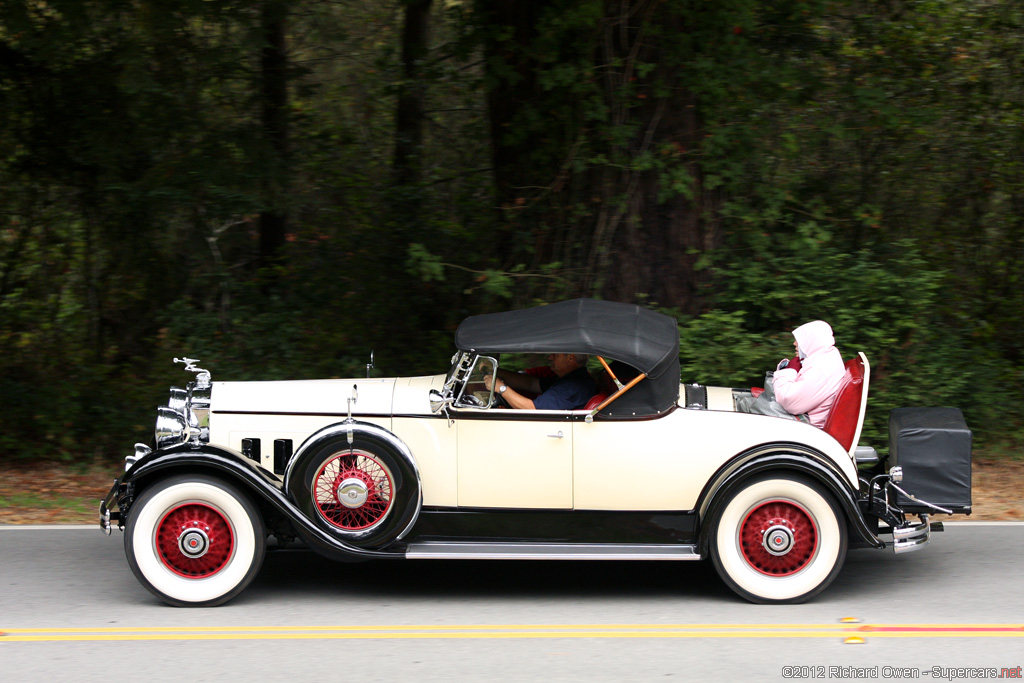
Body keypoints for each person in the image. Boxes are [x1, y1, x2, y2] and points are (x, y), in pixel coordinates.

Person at [771, 320, 846, 428]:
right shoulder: (825, 357)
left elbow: (788, 400)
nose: (794, 344)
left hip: (805, 427)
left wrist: (789, 370)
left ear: (810, 342)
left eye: (798, 340)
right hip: (805, 421)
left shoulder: (821, 368)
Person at [484, 352, 595, 410]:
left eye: (555, 355)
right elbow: (532, 384)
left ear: (570, 358)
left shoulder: (571, 386)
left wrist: (500, 388)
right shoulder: (573, 378)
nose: (550, 358)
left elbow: (531, 408)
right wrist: (498, 372)